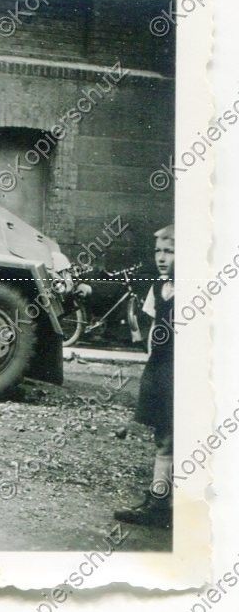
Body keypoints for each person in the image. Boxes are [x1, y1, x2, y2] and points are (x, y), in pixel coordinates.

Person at [115, 224, 174, 528]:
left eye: (170, 251)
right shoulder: (159, 287)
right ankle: (159, 500)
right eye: (158, 251)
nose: (161, 258)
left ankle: (166, 504)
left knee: (177, 437)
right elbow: (153, 330)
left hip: (184, 370)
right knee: (163, 436)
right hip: (161, 369)